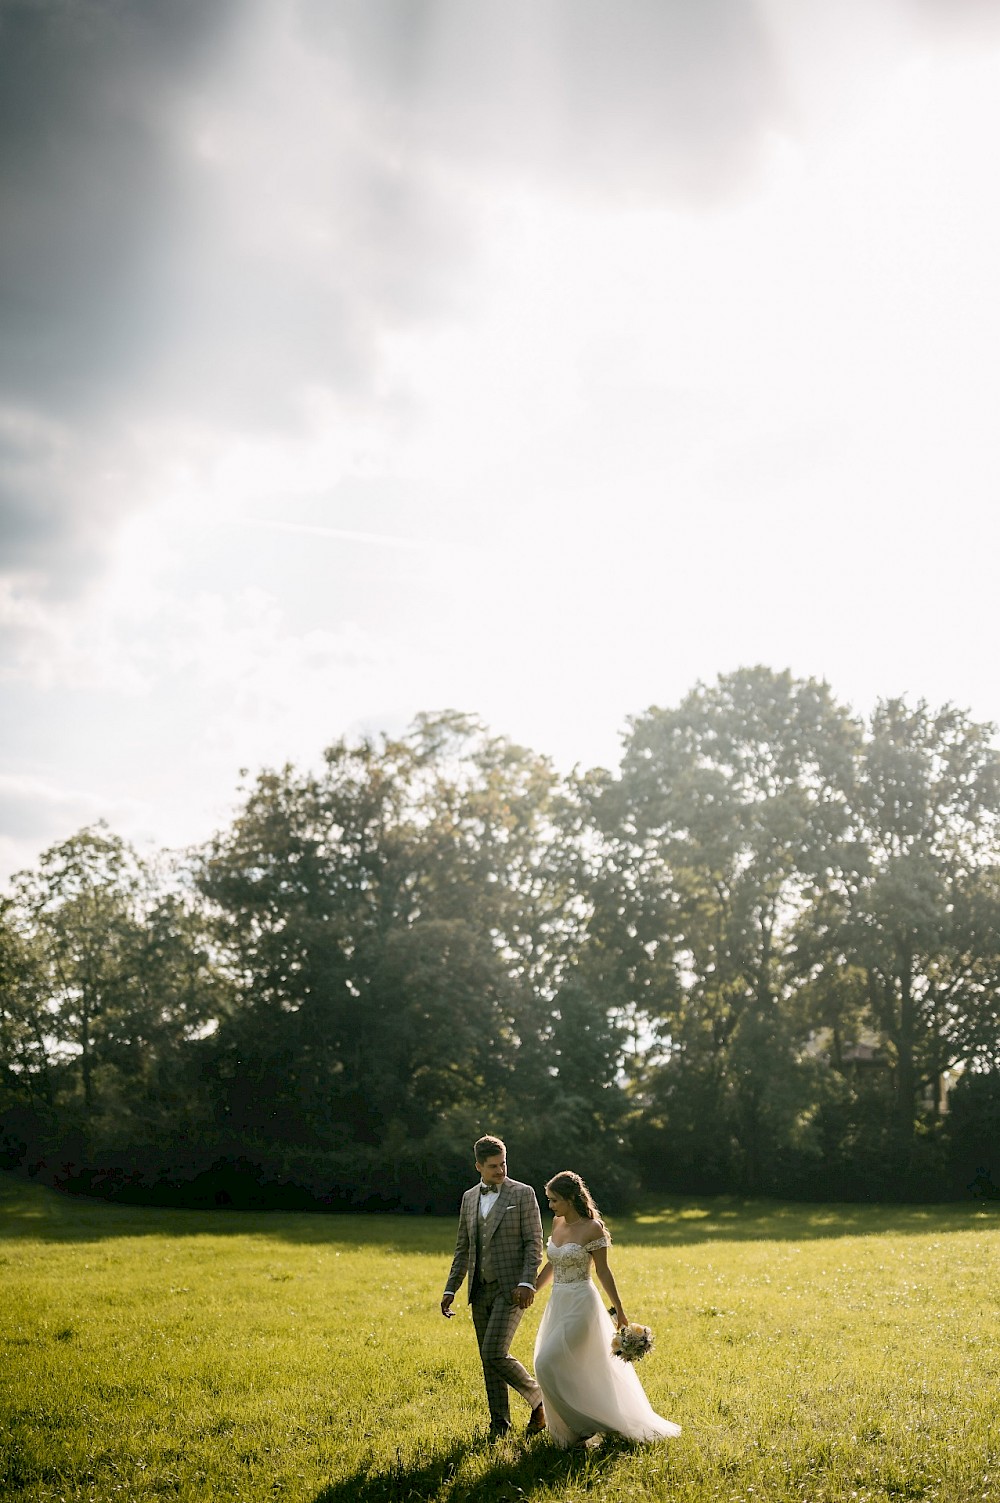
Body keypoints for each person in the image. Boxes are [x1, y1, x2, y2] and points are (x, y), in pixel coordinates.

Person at [533, 1170, 682, 1449]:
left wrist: (620, 1311)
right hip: (557, 1303)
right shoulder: (556, 1223)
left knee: (545, 1364)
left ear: (569, 1198)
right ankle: (577, 1429)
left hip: (581, 1304)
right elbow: (553, 1264)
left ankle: (582, 1426)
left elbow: (603, 1271)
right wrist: (532, 1289)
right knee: (563, 1366)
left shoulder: (593, 1228)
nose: (550, 1205)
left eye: (554, 1200)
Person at [441, 1135, 547, 1439]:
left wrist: (528, 1281)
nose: (500, 1170)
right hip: (479, 1288)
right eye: (492, 1166)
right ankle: (499, 1425)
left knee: (493, 1352)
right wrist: (451, 1289)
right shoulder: (469, 1198)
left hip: (513, 1288)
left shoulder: (523, 1194)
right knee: (489, 1361)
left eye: (503, 1164)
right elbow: (463, 1247)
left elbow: (533, 1242)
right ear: (478, 1166)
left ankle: (539, 1397)